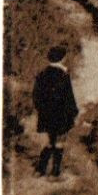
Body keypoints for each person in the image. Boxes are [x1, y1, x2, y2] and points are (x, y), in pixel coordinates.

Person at [32, 46, 79, 178]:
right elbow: (69, 97)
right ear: (63, 58)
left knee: (49, 142)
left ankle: (40, 170)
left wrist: (41, 110)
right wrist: (73, 113)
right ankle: (55, 172)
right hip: (61, 115)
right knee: (59, 142)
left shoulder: (42, 74)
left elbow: (36, 96)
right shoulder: (64, 75)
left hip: (46, 114)